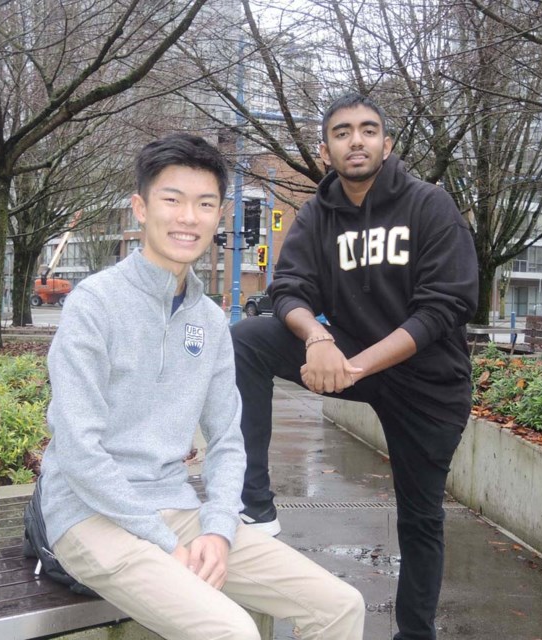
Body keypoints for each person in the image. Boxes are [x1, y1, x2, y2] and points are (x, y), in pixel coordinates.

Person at [38, 133, 365, 640]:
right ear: (140, 208)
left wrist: (218, 526)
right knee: (231, 630)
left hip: (177, 507)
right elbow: (79, 450)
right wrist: (163, 542)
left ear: (220, 215)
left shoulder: (210, 321)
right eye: (172, 199)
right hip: (89, 514)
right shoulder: (94, 304)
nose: (188, 217)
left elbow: (229, 441)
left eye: (204, 203)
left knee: (340, 606)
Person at [232, 94, 479, 640]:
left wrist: (355, 364)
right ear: (326, 151)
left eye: (369, 130)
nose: (357, 140)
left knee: (420, 517)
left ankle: (415, 633)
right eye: (343, 132)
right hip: (345, 354)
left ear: (387, 145)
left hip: (427, 381)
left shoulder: (429, 205)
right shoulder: (318, 215)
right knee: (248, 340)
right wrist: (318, 337)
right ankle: (254, 502)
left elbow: (446, 306)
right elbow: (290, 288)